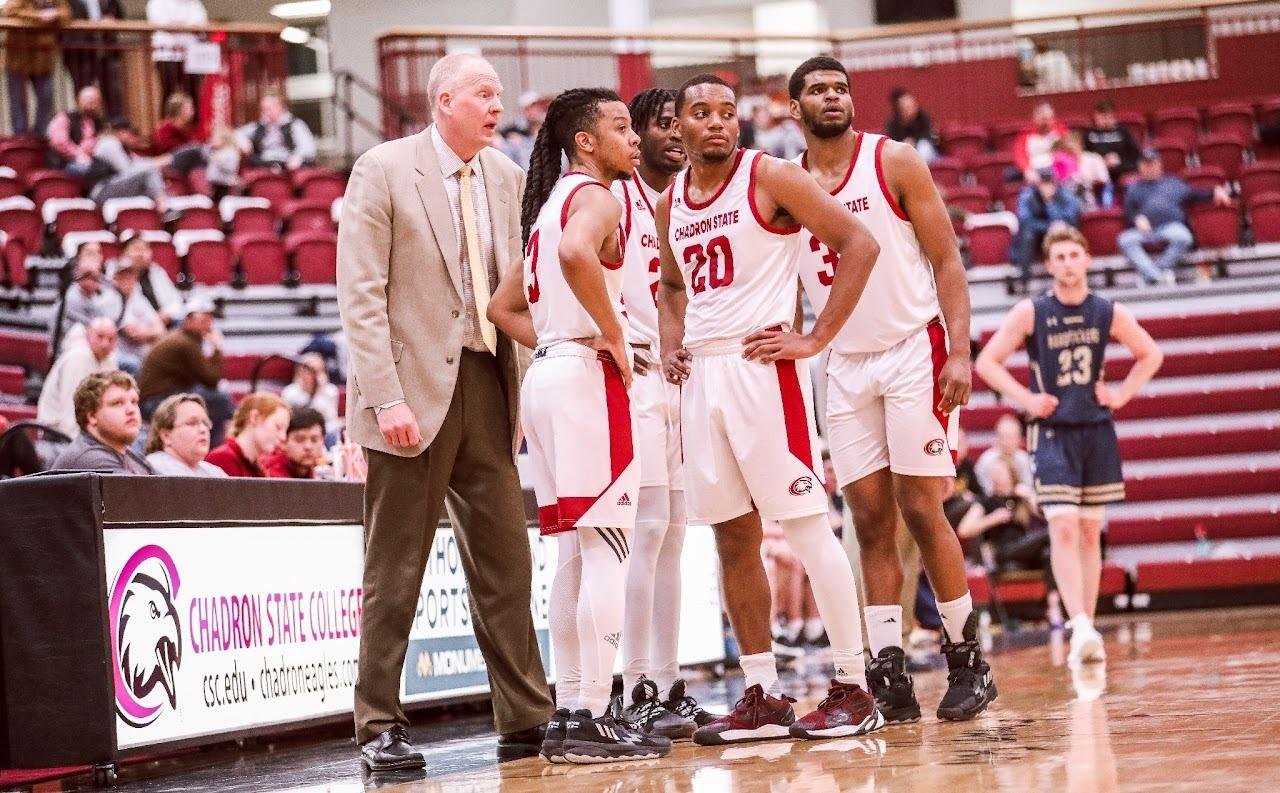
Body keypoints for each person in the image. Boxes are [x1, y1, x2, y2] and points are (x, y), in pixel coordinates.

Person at [335, 52, 554, 772]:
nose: (499, 104)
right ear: (445, 101)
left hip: (488, 382)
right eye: (484, 94)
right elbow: (360, 296)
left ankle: (526, 715)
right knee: (394, 566)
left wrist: (519, 387)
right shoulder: (384, 168)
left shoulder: (506, 176)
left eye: (499, 93)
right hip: (408, 392)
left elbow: (515, 292)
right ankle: (378, 725)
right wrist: (384, 394)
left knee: (507, 562)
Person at [655, 72, 884, 745]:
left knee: (808, 525)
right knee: (732, 536)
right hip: (704, 375)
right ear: (680, 126)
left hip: (765, 369)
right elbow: (672, 283)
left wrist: (815, 337)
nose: (719, 122)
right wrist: (673, 342)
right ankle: (761, 694)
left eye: (728, 112)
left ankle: (854, 686)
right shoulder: (672, 203)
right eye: (702, 113)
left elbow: (859, 244)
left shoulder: (772, 175)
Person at [788, 56, 996, 724]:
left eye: (840, 88)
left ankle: (968, 658)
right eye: (817, 89)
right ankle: (889, 670)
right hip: (844, 363)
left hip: (914, 349)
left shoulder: (894, 160)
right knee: (869, 520)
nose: (831, 96)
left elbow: (947, 261)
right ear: (794, 107)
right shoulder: (783, 184)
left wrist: (960, 350)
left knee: (920, 506)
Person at [485, 87, 672, 764]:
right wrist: (614, 335)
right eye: (622, 127)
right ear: (586, 141)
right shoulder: (596, 196)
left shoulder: (548, 204)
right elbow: (574, 255)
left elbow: (502, 306)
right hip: (587, 377)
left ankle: (569, 711)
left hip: (548, 374)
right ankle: (595, 709)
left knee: (572, 552)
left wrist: (566, 335)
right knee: (608, 551)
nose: (634, 139)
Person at [976, 225, 1163, 669]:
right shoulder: (1032, 312)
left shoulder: (1107, 311)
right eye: (1058, 257)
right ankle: (1079, 623)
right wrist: (1026, 399)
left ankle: (1086, 625)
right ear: (1049, 264)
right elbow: (986, 361)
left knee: (1087, 532)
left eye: (1073, 255)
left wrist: (1120, 394)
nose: (1066, 263)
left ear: (1086, 260)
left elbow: (1150, 354)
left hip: (1096, 430)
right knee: (1061, 527)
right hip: (1053, 433)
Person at [606, 87, 714, 736]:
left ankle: (671, 684)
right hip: (637, 373)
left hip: (681, 376)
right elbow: (589, 277)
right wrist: (620, 345)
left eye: (682, 124)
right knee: (645, 534)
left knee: (676, 533)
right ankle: (632, 682)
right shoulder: (615, 197)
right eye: (664, 124)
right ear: (637, 135)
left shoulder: (688, 202)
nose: (676, 134)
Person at [1119, 148, 1231, 286]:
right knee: (1125, 240)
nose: (1149, 167)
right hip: (1144, 231)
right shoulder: (1133, 189)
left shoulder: (1173, 183)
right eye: (1146, 164)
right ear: (1140, 166)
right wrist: (1137, 219)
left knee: (1184, 237)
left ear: (1159, 165)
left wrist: (1214, 191)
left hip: (1169, 227)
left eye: (1152, 163)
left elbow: (1194, 194)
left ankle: (1154, 274)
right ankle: (1158, 276)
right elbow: (1128, 212)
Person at [136, 294, 232, 445]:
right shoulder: (185, 343)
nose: (209, 324)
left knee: (212, 398)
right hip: (154, 403)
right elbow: (211, 380)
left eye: (210, 319)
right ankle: (210, 451)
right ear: (189, 319)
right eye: (204, 319)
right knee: (219, 399)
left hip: (156, 398)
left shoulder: (183, 338)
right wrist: (217, 349)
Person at [49, 370, 154, 473]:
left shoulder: (127, 453)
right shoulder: (91, 460)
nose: (131, 410)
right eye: (118, 403)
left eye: (134, 402)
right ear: (92, 416)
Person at [37, 317, 118, 438]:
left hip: (87, 430)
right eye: (100, 337)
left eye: (111, 339)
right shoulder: (78, 358)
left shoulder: (109, 360)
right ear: (88, 336)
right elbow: (70, 408)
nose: (105, 343)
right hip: (56, 431)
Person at [2, 0, 69, 136]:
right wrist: (40, 17)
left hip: (42, 58)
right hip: (18, 56)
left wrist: (54, 14)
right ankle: (20, 136)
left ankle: (39, 134)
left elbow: (66, 14)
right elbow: (10, 11)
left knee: (46, 96)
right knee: (17, 100)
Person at [49, 242, 122, 356]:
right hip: (71, 352)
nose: (91, 280)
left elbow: (112, 322)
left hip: (101, 350)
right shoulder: (69, 295)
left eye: (95, 276)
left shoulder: (109, 293)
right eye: (87, 275)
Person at [88, 118, 172, 212]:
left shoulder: (122, 147)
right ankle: (164, 210)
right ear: (121, 132)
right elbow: (127, 170)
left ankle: (160, 216)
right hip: (100, 191)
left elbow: (139, 163)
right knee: (150, 173)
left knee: (152, 182)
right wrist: (155, 165)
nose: (131, 137)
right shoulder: (109, 143)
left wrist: (158, 163)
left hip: (111, 186)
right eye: (130, 133)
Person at [1014, 170, 1082, 285]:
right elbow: (1025, 221)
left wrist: (1050, 204)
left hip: (1060, 233)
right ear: (1037, 184)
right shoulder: (1027, 195)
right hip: (1038, 236)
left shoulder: (1065, 194)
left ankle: (1075, 271)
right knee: (1027, 235)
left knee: (1069, 232)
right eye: (1043, 183)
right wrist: (1050, 226)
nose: (1047, 186)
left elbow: (1072, 217)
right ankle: (1025, 278)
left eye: (1050, 183)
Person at [204, 391, 289, 477]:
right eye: (278, 427)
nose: (283, 437)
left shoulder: (258, 468)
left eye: (285, 431)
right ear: (254, 418)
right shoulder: (222, 459)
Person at [144, 392, 226, 476]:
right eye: (192, 423)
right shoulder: (150, 469)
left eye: (205, 423)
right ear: (166, 436)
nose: (203, 429)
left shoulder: (215, 473)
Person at [108, 255, 166, 373]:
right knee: (133, 364)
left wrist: (148, 331)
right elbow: (133, 334)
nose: (128, 280)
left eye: (131, 275)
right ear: (115, 278)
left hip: (144, 354)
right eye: (123, 276)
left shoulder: (138, 298)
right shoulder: (111, 299)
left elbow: (161, 328)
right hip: (121, 355)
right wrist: (151, 331)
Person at [146, 0, 207, 110]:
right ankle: (167, 124)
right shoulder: (157, 2)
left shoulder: (195, 3)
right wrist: (187, 27)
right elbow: (164, 25)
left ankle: (193, 125)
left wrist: (180, 26)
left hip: (191, 56)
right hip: (166, 55)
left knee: (193, 94)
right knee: (168, 94)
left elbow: (201, 26)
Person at [235, 93, 316, 170]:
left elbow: (308, 148)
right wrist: (242, 140)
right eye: (263, 109)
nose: (265, 112)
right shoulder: (260, 125)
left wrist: (298, 157)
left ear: (281, 107)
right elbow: (236, 133)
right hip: (264, 165)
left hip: (287, 165)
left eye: (269, 108)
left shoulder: (295, 124)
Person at [117, 232, 183, 323]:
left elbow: (176, 301)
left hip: (165, 323)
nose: (140, 254)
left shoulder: (157, 272)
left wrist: (167, 313)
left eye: (144, 249)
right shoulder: (118, 275)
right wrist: (153, 321)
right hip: (137, 326)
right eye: (136, 249)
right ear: (124, 253)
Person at [46, 85, 105, 178]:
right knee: (94, 171)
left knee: (107, 169)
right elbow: (60, 143)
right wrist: (78, 155)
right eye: (87, 99)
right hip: (65, 163)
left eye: (94, 100)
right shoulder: (64, 118)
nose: (90, 103)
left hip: (90, 161)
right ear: (78, 101)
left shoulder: (99, 123)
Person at [281, 351, 341, 438]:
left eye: (319, 370)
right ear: (300, 372)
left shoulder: (331, 391)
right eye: (311, 371)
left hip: (324, 433)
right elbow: (288, 420)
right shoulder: (289, 393)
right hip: (299, 431)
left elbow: (331, 419)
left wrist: (319, 392)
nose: (315, 375)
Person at [260, 406, 327, 479]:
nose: (308, 446)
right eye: (299, 440)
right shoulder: (269, 474)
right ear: (283, 441)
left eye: (314, 440)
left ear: (323, 440)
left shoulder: (308, 470)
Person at [1083, 99, 1142, 183]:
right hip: (1097, 174)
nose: (1105, 120)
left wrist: (1120, 162)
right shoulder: (1088, 134)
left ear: (1113, 116)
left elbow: (1137, 156)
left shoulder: (1123, 132)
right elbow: (1084, 158)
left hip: (1121, 171)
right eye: (1102, 117)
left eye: (1108, 117)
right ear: (1095, 116)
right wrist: (1101, 163)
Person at [975, 413, 1034, 496]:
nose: (1007, 442)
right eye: (1003, 436)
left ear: (1019, 438)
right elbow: (984, 490)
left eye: (1011, 437)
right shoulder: (986, 461)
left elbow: (1029, 486)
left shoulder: (1024, 459)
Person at [1014, 102, 1068, 183]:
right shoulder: (1025, 134)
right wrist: (1027, 169)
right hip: (1034, 170)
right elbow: (1019, 155)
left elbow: (1069, 151)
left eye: (1048, 119)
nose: (1046, 123)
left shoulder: (1061, 132)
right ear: (1035, 119)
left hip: (1057, 170)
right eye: (1043, 119)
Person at [498, 91, 549, 170]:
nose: (536, 110)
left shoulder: (551, 129)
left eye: (538, 106)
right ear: (524, 111)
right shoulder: (514, 131)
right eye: (531, 108)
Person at [883, 88, 937, 161]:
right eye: (906, 107)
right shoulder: (893, 124)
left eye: (912, 105)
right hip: (902, 153)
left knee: (924, 146)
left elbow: (929, 137)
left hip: (923, 152)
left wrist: (914, 141)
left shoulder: (923, 118)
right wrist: (903, 144)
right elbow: (890, 142)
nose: (911, 109)